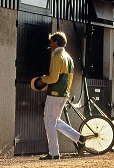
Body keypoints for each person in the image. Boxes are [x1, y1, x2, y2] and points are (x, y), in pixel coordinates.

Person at [32, 31, 86, 160]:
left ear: (56, 42)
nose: (50, 44)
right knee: (54, 120)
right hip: (64, 93)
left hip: (54, 93)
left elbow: (53, 78)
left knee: (49, 122)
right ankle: (79, 138)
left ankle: (54, 153)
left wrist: (42, 79)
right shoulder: (69, 58)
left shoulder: (57, 57)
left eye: (51, 41)